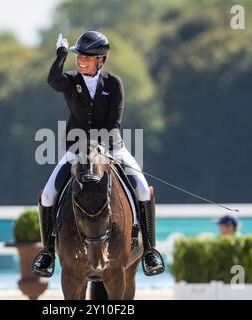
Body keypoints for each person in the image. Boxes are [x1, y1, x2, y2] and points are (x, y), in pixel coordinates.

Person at [32, 31, 164, 277]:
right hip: (77, 150)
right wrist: (61, 56)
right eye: (78, 56)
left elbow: (114, 122)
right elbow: (53, 81)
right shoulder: (71, 81)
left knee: (143, 189)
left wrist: (101, 147)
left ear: (100, 60)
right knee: (49, 195)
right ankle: (48, 252)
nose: (80, 60)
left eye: (86, 57)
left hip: (111, 147)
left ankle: (150, 250)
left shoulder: (113, 84)